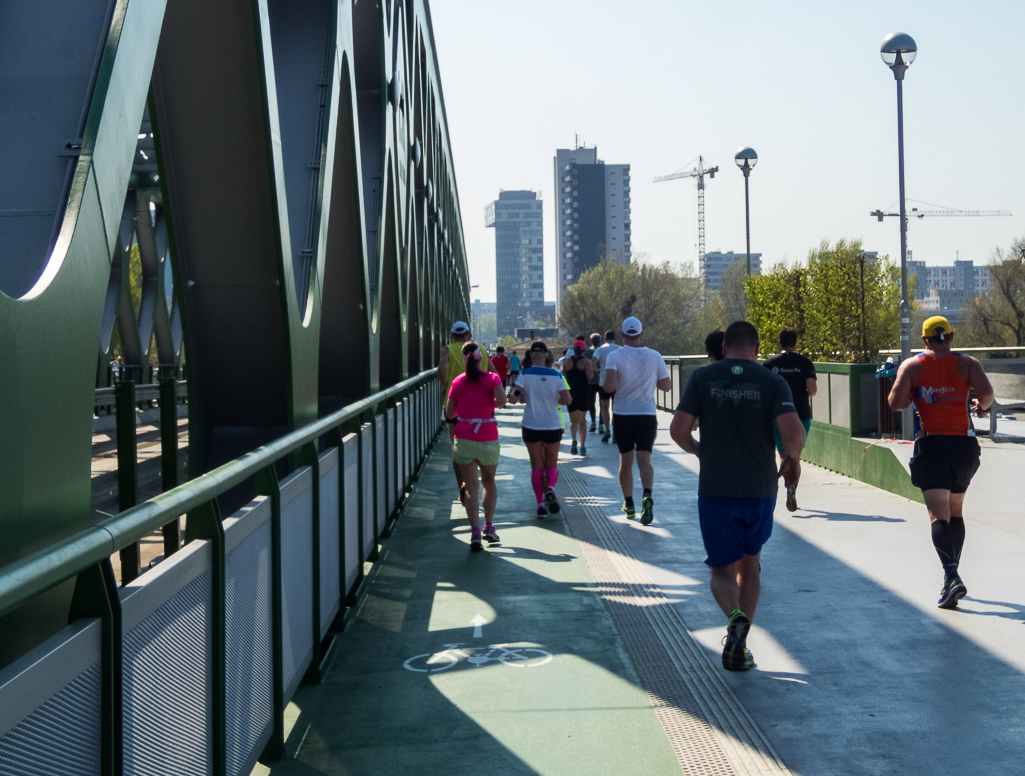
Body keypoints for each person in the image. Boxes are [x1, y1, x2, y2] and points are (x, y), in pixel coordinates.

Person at [669, 320, 806, 672]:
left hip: (716, 488)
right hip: (760, 488)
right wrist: (791, 459)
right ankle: (740, 643)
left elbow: (678, 430)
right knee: (751, 564)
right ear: (757, 349)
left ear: (725, 348)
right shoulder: (772, 381)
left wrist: (699, 449)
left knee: (721, 570)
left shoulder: (702, 378)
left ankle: (734, 618)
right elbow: (792, 431)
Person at [888, 315, 994, 609]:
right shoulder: (969, 364)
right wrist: (980, 406)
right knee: (956, 511)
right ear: (951, 337)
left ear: (924, 341)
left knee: (938, 516)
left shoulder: (913, 366)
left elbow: (895, 403)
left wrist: (913, 393)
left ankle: (951, 576)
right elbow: (986, 396)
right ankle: (953, 576)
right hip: (964, 447)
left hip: (932, 444)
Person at [603, 317, 671, 525]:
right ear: (641, 334)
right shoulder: (655, 356)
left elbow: (608, 388)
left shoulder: (614, 356)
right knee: (645, 461)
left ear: (623, 336)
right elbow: (666, 386)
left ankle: (629, 504)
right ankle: (647, 495)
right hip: (647, 415)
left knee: (626, 461)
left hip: (623, 415)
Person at [446, 341, 507, 551]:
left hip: (464, 437)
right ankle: (488, 526)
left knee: (470, 487)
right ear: (482, 357)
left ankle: (474, 533)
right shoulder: (492, 378)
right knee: (489, 482)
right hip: (488, 436)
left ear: (464, 359)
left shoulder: (457, 382)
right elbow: (502, 400)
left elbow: (449, 414)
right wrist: (487, 402)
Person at [508, 341, 571, 517]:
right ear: (547, 356)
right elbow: (567, 400)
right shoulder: (556, 375)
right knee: (551, 464)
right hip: (552, 425)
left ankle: (540, 505)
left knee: (536, 466)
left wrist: (514, 394)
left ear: (530, 357)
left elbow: (513, 399)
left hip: (531, 425)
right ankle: (550, 488)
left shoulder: (524, 374)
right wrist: (552, 400)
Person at [763, 327, 817, 512]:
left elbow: (764, 390)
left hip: (777, 416)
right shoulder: (805, 363)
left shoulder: (770, 363)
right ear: (795, 342)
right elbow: (813, 390)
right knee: (795, 456)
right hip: (801, 414)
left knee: (784, 454)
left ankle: (786, 485)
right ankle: (792, 488)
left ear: (779, 343)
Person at [437, 321, 492, 493]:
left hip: (454, 403)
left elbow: (440, 369)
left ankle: (463, 485)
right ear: (468, 333)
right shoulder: (481, 350)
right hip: (480, 404)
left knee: (457, 448)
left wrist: (445, 385)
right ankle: (477, 482)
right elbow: (493, 373)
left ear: (453, 335)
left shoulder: (448, 349)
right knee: (481, 442)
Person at [562, 338, 595, 455]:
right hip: (583, 392)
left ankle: (574, 440)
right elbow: (590, 376)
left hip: (571, 393)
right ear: (584, 350)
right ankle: (582, 446)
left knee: (573, 421)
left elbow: (563, 377)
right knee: (582, 421)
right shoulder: (587, 361)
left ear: (574, 349)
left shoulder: (567, 361)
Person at [595, 330, 621, 443]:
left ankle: (607, 430)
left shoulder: (600, 349)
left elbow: (593, 361)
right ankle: (616, 432)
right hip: (617, 382)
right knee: (615, 408)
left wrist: (597, 371)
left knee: (604, 407)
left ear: (605, 338)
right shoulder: (619, 349)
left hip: (603, 382)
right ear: (614, 338)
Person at [585, 333, 602, 432]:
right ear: (599, 341)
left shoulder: (588, 352)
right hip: (601, 379)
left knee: (591, 402)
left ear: (591, 341)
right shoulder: (602, 350)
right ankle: (601, 424)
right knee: (602, 404)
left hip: (590, 380)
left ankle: (593, 422)